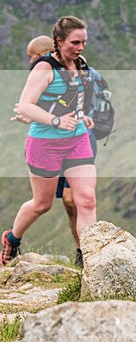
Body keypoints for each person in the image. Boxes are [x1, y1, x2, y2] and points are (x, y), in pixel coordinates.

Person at [2, 17, 97, 267]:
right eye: (75, 42)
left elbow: (73, 97)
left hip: (77, 140)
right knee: (41, 204)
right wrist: (54, 121)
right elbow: (25, 105)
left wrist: (82, 116)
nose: (80, 47)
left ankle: (90, 261)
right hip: (45, 143)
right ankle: (12, 239)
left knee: (86, 199)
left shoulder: (81, 64)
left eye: (84, 42)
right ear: (59, 41)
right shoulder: (44, 68)